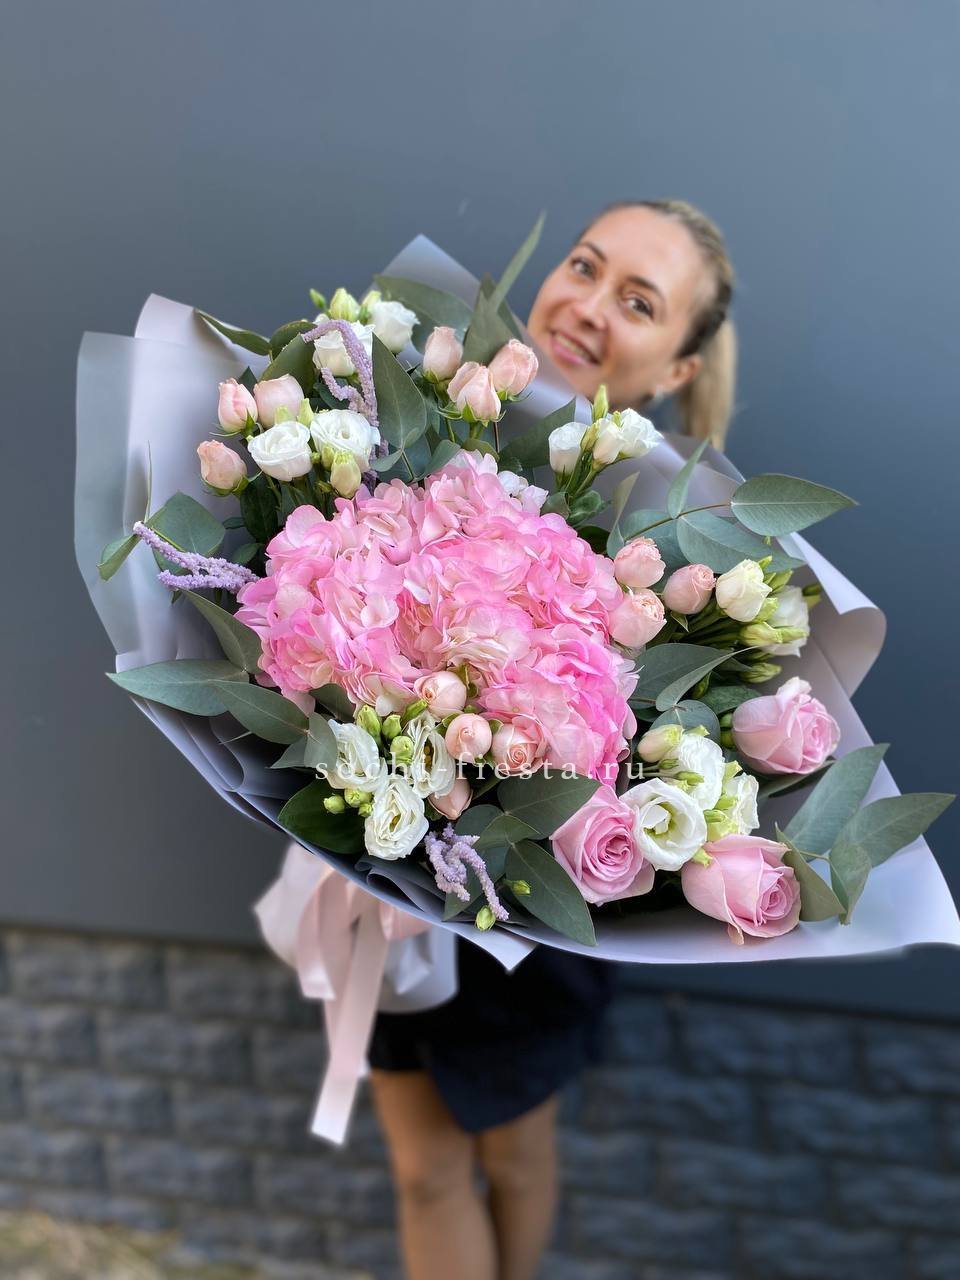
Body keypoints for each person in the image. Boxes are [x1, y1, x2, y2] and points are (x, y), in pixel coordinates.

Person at [369, 198, 739, 1280]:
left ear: (677, 368)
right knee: (422, 1169)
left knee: (515, 1154)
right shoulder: (425, 426)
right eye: (584, 266)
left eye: (640, 303)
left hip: (542, 899)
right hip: (385, 863)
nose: (589, 306)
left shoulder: (681, 538)